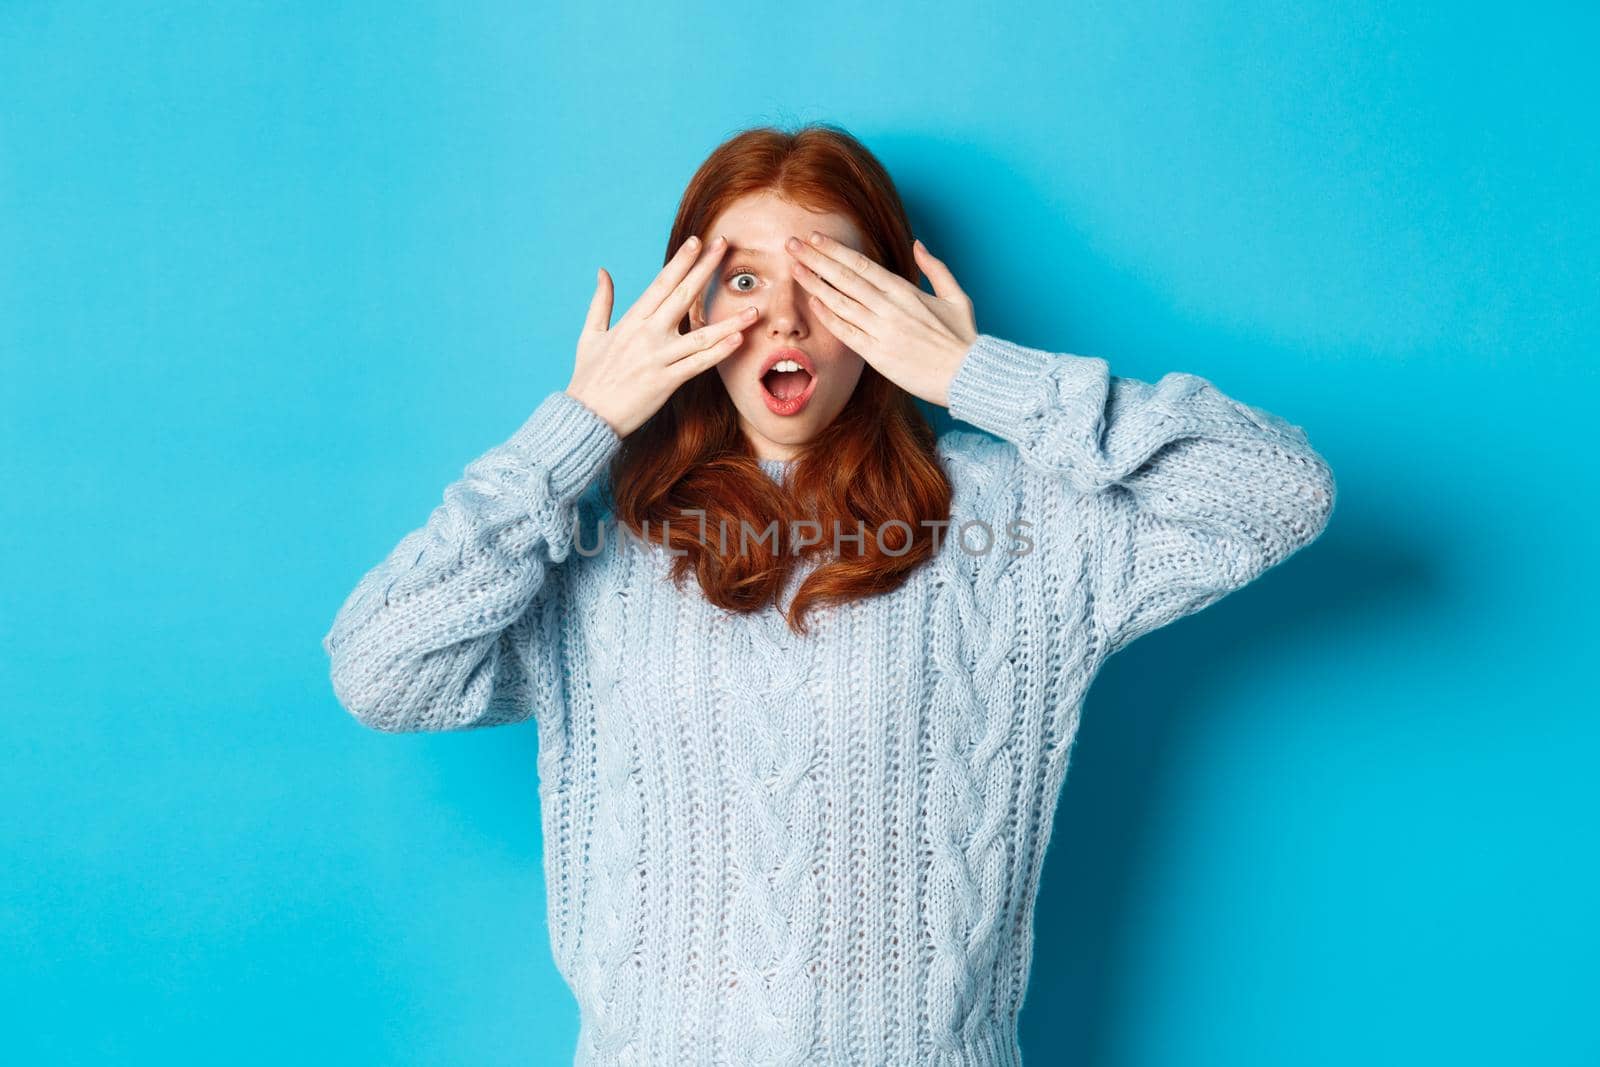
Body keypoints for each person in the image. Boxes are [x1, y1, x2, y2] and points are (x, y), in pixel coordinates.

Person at [321, 123, 1336, 1066]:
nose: (784, 317)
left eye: (830, 277)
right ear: (686, 308)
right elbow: (380, 672)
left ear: (889, 303)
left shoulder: (1023, 521)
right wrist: (575, 426)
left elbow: (1278, 493)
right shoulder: (595, 535)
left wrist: (976, 371)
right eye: (743, 278)